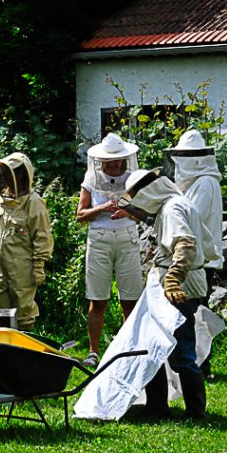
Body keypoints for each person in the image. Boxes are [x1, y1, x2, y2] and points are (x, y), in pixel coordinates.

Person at [114, 168, 215, 419]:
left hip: (179, 288)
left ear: (148, 191)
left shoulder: (172, 209)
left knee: (181, 352)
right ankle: (157, 407)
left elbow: (186, 244)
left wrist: (172, 279)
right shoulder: (178, 204)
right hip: (183, 285)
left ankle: (195, 413)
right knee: (153, 347)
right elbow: (205, 243)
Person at [76, 133, 143, 368]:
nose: (114, 166)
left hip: (128, 239)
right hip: (99, 240)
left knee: (130, 300)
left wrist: (128, 212)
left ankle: (127, 351)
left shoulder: (134, 178)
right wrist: (103, 207)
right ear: (101, 161)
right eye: (109, 162)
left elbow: (145, 213)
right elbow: (80, 215)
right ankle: (93, 352)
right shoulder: (91, 177)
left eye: (117, 162)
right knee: (98, 300)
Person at [166, 130, 223, 381]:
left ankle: (200, 366)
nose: (183, 162)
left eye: (188, 156)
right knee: (191, 315)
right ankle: (193, 364)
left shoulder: (206, 183)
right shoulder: (197, 183)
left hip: (201, 261)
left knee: (196, 315)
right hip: (195, 258)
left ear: (199, 158)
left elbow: (190, 219)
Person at [0, 152, 54, 331]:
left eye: (10, 173)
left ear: (22, 175)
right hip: (0, 264)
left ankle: (24, 343)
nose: (6, 177)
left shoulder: (34, 202)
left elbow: (42, 236)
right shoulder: (2, 200)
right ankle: (3, 343)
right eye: (4, 173)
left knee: (23, 310)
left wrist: (39, 265)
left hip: (23, 265)